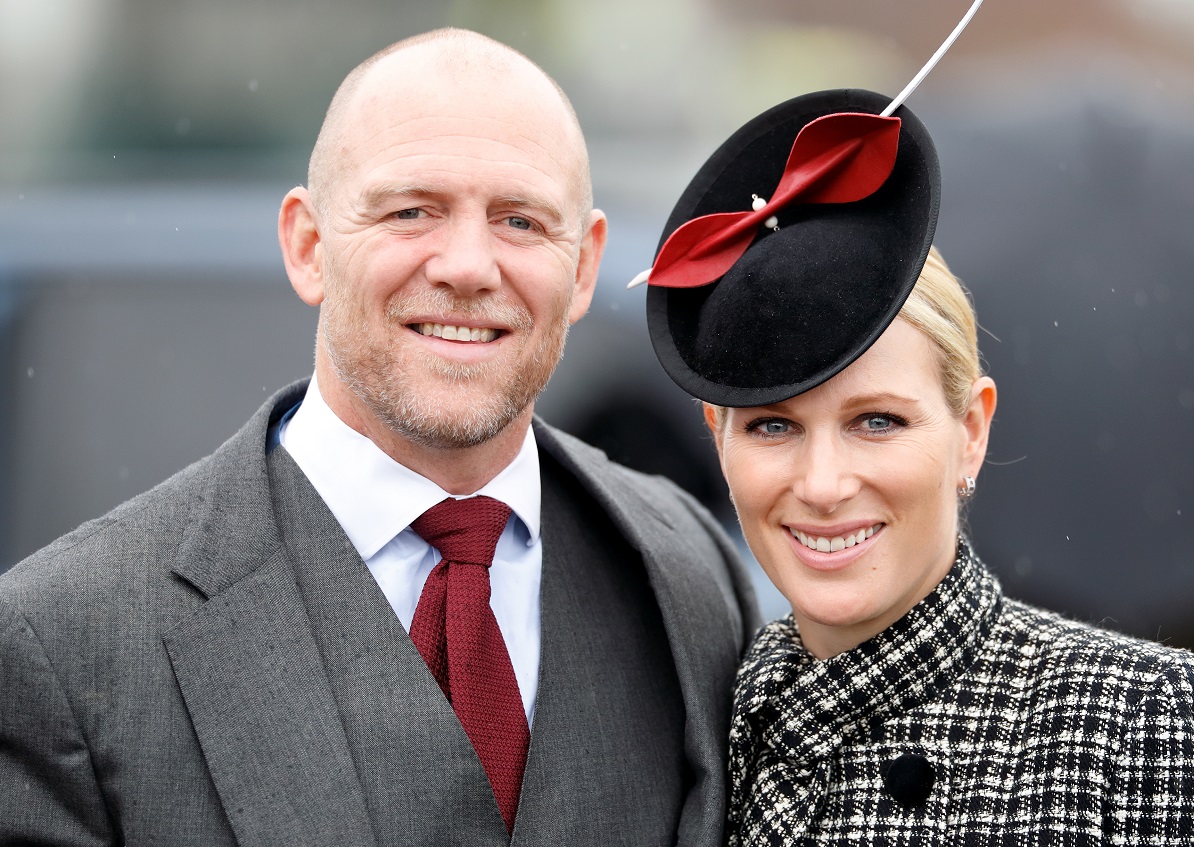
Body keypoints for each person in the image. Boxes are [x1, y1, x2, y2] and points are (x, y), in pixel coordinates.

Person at [0, 29, 759, 846]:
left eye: (520, 220)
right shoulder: (65, 644)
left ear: (582, 269)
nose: (468, 265)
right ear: (308, 244)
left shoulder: (689, 575)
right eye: (410, 211)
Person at [638, 87, 1194, 843]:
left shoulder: (1147, 725)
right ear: (716, 434)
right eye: (773, 426)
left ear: (970, 429)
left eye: (877, 421)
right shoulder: (684, 718)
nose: (823, 484)